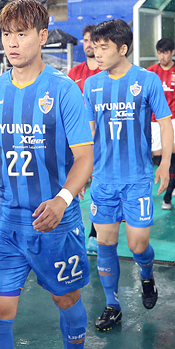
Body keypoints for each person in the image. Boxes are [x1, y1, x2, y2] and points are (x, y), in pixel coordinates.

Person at [0, 0, 93, 349]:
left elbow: (84, 157)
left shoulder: (64, 90)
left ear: (42, 37)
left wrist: (63, 200)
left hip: (55, 223)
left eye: (22, 34)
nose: (12, 43)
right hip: (8, 224)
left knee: (67, 300)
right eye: (7, 34)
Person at [83, 20, 172, 332]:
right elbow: (88, 133)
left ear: (122, 49)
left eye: (103, 47)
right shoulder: (91, 85)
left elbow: (165, 122)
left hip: (137, 179)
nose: (96, 52)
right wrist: (81, 173)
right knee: (105, 242)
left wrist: (165, 164)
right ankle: (113, 305)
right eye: (95, 46)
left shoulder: (147, 80)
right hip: (103, 179)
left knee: (137, 245)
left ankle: (147, 276)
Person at [147, 37, 175, 211]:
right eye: (159, 53)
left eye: (165, 53)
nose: (162, 56)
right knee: (158, 157)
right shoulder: (151, 72)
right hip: (155, 119)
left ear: (172, 53)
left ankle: (167, 198)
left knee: (171, 154)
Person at [67, 24, 100, 255]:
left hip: (102, 140)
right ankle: (73, 230)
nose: (89, 45)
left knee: (97, 187)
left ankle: (95, 234)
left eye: (93, 41)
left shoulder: (106, 73)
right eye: (86, 40)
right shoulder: (74, 73)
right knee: (74, 185)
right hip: (77, 139)